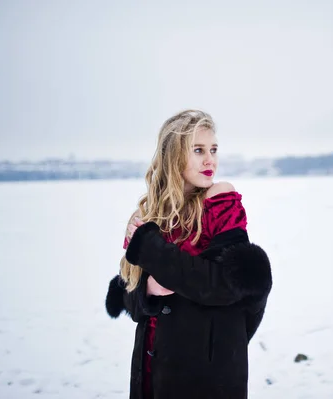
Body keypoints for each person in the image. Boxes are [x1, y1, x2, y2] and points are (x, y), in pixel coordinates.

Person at [105, 109, 272, 399]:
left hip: (207, 376)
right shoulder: (149, 215)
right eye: (198, 150)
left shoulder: (219, 199)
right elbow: (131, 302)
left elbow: (223, 285)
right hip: (153, 371)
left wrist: (149, 247)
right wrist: (147, 289)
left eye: (213, 150)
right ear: (174, 155)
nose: (210, 160)